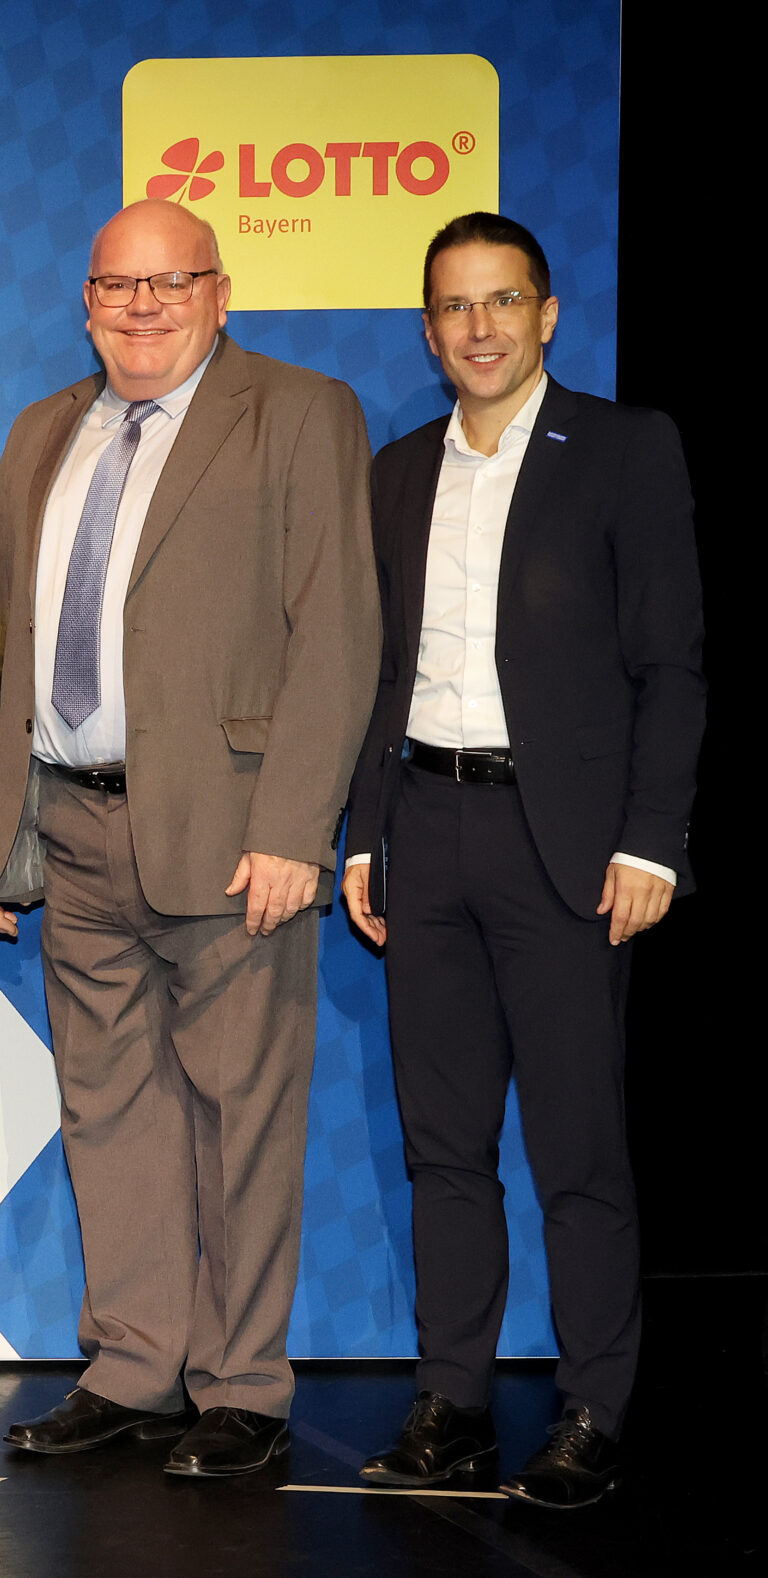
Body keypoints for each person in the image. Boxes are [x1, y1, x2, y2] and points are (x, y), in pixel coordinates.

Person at [0, 199, 378, 1477]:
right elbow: (4, 645)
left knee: (241, 1117)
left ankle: (241, 1385)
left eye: (170, 281)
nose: (142, 306)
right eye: (117, 285)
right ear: (86, 302)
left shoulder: (299, 411)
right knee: (110, 1114)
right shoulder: (41, 431)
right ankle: (135, 1365)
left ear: (219, 292)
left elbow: (337, 631)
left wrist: (295, 828)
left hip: (233, 834)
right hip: (72, 826)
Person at [341, 213, 702, 1509]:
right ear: (428, 329)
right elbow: (381, 672)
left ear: (547, 314)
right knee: (443, 1147)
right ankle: (452, 1403)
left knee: (576, 1147)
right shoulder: (395, 472)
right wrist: (363, 835)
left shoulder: (622, 447)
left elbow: (671, 664)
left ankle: (594, 1404)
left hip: (563, 845)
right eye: (455, 305)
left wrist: (651, 839)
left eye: (503, 301)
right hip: (422, 830)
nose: (479, 326)